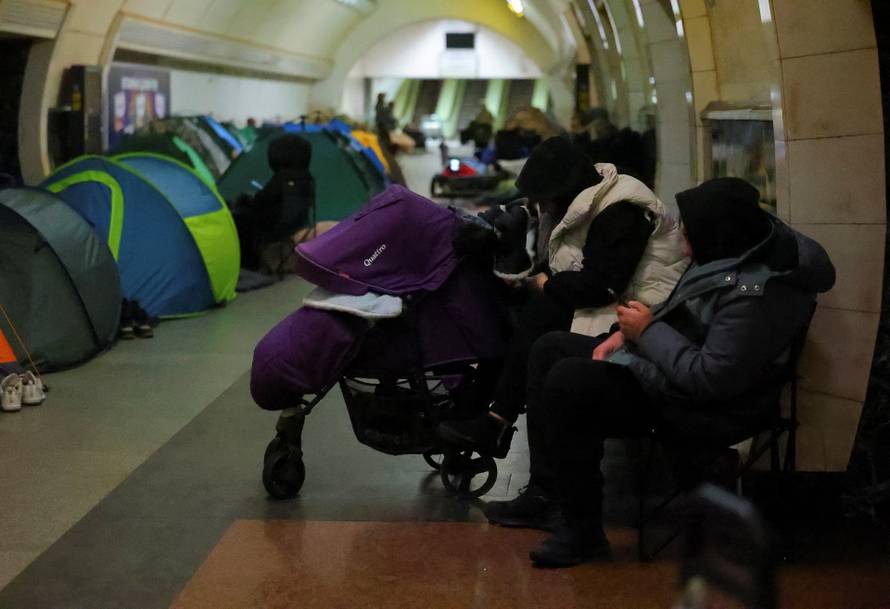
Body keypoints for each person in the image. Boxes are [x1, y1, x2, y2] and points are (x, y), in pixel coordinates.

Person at [486, 177, 835, 568]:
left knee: (571, 382)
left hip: (707, 404)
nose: (683, 242)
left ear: (717, 235)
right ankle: (547, 494)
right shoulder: (738, 247)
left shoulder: (757, 294)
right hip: (672, 369)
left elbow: (710, 379)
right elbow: (686, 314)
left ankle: (581, 530)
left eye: (689, 235)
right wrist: (625, 335)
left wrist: (647, 332)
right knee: (551, 348)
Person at [436, 136, 688, 454]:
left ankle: (496, 421)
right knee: (511, 310)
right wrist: (532, 279)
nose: (541, 207)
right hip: (618, 296)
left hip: (646, 307)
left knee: (540, 317)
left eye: (544, 200)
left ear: (562, 191)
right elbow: (570, 265)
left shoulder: (621, 210)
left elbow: (602, 285)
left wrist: (545, 284)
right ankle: (478, 411)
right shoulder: (587, 201)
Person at [233, 134, 314, 270]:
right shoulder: (306, 178)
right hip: (292, 226)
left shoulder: (282, 179)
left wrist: (245, 201)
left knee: (237, 220)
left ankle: (245, 263)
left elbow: (261, 203)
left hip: (272, 231)